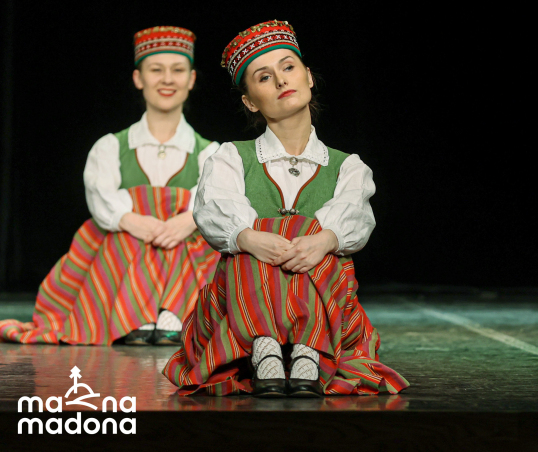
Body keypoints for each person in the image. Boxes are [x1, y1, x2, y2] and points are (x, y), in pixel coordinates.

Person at [163, 20, 408, 397]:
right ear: (250, 101)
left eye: (288, 67)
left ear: (308, 76)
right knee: (249, 241)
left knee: (318, 238)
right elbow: (216, 211)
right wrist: (248, 238)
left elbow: (353, 221)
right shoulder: (231, 158)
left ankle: (309, 350)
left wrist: (323, 240)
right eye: (264, 77)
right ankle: (265, 349)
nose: (281, 81)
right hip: (240, 309)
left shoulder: (348, 167)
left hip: (325, 303)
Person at [0, 26, 220, 345]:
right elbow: (104, 204)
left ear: (191, 79)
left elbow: (211, 204)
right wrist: (136, 222)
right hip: (127, 250)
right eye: (156, 70)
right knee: (123, 234)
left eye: (177, 70)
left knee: (191, 237)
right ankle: (135, 313)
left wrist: (186, 221)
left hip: (186, 250)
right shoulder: (111, 147)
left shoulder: (210, 152)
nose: (167, 79)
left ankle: (174, 311)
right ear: (138, 78)